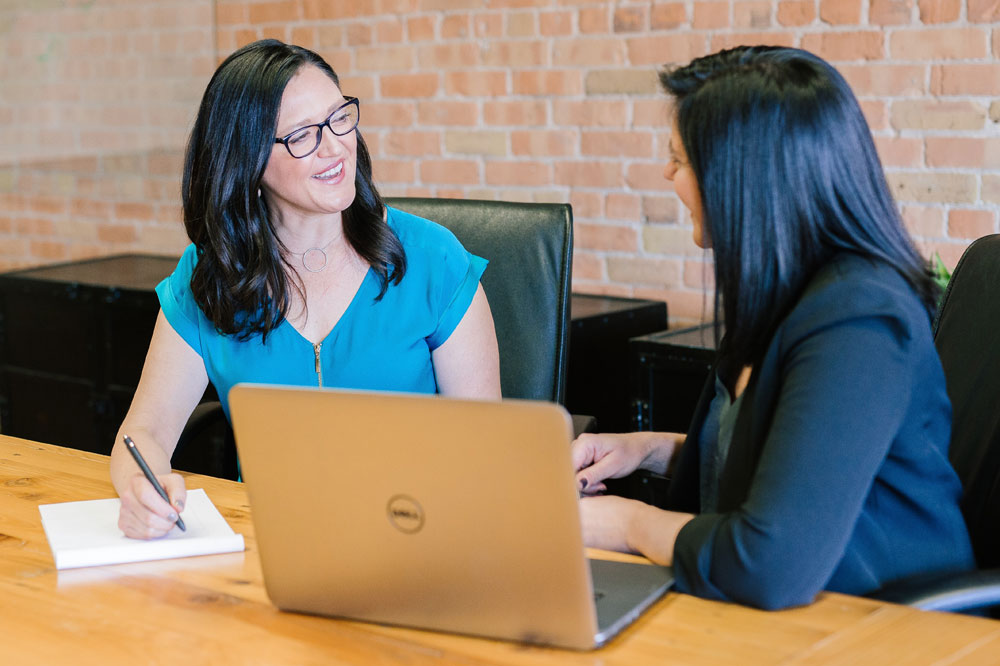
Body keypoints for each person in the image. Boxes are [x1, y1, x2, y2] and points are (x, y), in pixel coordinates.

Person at [572, 46, 974, 610]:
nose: (666, 174)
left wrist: (626, 524)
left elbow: (768, 563)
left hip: (883, 622)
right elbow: (782, 459)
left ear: (743, 180)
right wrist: (647, 449)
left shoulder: (859, 320)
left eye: (679, 159)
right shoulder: (784, 293)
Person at [111, 40, 500, 539]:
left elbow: (486, 448)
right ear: (247, 162)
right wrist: (140, 491)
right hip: (270, 543)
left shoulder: (433, 260)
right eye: (302, 136)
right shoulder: (210, 277)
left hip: (418, 535)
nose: (336, 146)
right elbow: (142, 433)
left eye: (340, 118)